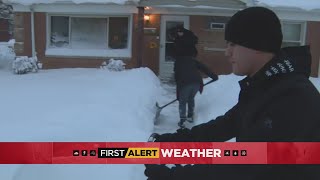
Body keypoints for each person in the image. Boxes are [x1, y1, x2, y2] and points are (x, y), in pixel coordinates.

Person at [145, 6, 320, 180]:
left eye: (233, 44)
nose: (227, 52)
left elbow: (245, 165)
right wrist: (169, 143)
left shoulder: (293, 97)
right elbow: (226, 125)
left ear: (257, 45)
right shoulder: (264, 86)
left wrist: (172, 176)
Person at [172, 25, 218, 128]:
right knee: (191, 99)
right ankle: (190, 116)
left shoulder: (178, 62)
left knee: (183, 102)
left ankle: (183, 120)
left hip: (185, 83)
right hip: (197, 83)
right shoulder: (193, 60)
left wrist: (178, 91)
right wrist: (214, 76)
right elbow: (204, 68)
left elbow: (177, 77)